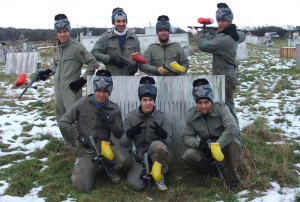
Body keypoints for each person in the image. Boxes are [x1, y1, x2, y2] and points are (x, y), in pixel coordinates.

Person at [58, 70, 132, 192]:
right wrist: (79, 137)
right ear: (94, 90)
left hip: (106, 148)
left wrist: (112, 122)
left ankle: (109, 169)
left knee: (126, 161)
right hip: (87, 149)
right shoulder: (82, 104)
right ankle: (79, 165)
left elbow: (120, 135)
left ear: (109, 92)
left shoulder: (114, 109)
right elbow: (63, 122)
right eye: (98, 91)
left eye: (105, 91)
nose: (101, 94)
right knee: (82, 187)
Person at [37, 14, 99, 149]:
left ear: (69, 31)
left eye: (65, 31)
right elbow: (57, 66)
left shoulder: (77, 48)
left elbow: (93, 63)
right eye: (59, 32)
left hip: (71, 90)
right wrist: (48, 72)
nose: (62, 34)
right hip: (58, 90)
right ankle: (69, 144)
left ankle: (81, 145)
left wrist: (82, 81)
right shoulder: (56, 49)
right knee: (60, 118)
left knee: (75, 119)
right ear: (57, 33)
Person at [181, 78, 242, 191]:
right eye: (200, 103)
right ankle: (213, 169)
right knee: (188, 155)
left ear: (211, 101)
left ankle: (232, 179)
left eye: (206, 102)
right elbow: (186, 136)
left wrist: (217, 145)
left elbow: (232, 128)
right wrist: (200, 145)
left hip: (225, 145)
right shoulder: (192, 115)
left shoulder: (221, 108)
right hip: (208, 148)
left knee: (234, 142)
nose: (203, 106)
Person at [190, 3, 246, 126]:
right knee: (226, 104)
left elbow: (202, 46)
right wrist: (222, 31)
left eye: (223, 21)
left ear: (230, 21)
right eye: (218, 20)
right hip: (228, 74)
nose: (220, 23)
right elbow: (242, 35)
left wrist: (196, 35)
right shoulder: (235, 35)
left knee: (227, 106)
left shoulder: (224, 39)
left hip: (224, 76)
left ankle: (234, 132)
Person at [120, 77, 172, 191]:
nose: (148, 103)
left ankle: (159, 176)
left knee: (158, 145)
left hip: (153, 155)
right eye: (144, 100)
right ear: (140, 100)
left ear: (154, 100)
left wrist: (163, 135)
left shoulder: (161, 117)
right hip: (137, 156)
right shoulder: (130, 117)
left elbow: (169, 143)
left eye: (151, 100)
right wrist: (129, 134)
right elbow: (123, 143)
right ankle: (144, 173)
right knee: (135, 186)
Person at [91, 7, 141, 76]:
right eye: (118, 21)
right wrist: (111, 59)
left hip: (129, 79)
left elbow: (139, 58)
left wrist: (135, 67)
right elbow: (94, 53)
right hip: (111, 79)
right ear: (113, 22)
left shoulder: (133, 38)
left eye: (123, 21)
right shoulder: (106, 37)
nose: (121, 24)